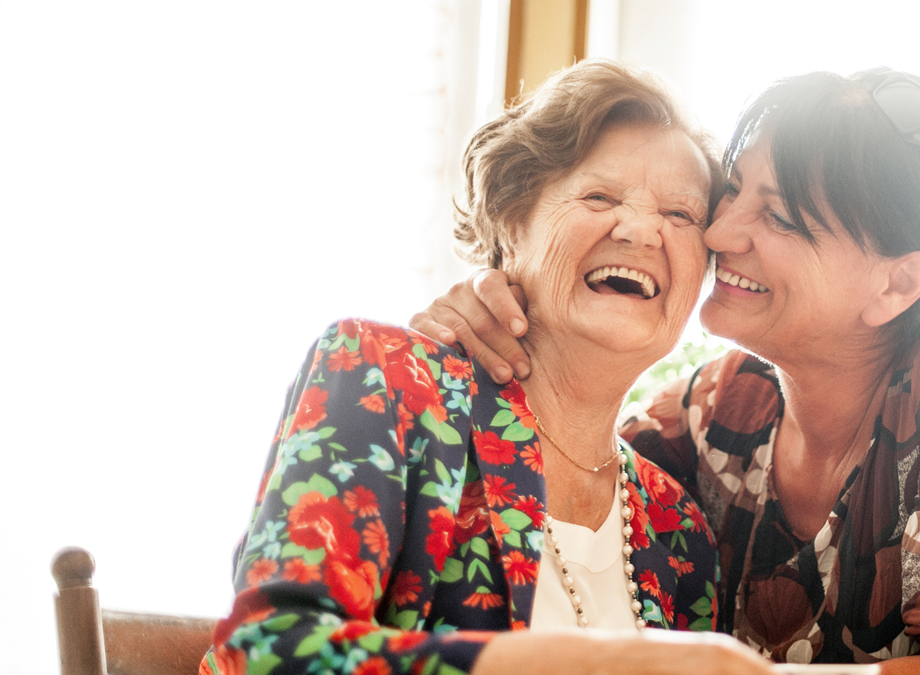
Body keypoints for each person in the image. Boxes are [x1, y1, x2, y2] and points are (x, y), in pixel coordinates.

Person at [413, 69, 920, 675]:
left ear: (897, 284)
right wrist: (497, 300)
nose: (719, 232)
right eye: (732, 192)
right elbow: (574, 447)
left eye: (780, 217)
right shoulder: (713, 409)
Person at [202, 60, 776, 675]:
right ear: (510, 224)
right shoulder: (388, 381)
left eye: (681, 216)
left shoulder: (680, 527)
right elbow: (263, 653)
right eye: (599, 196)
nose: (639, 230)